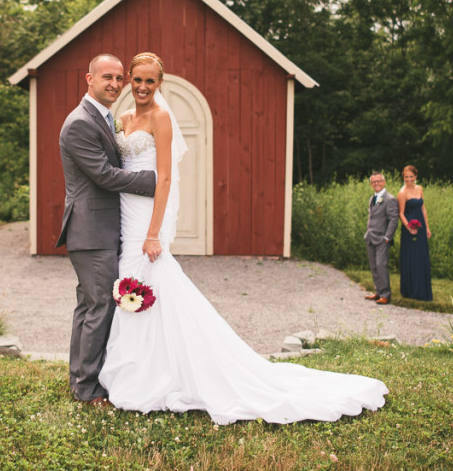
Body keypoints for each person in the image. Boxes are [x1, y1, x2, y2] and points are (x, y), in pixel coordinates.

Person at [99, 52, 388, 425]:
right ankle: (138, 369)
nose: (141, 87)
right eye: (136, 80)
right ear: (128, 80)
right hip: (126, 215)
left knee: (152, 281)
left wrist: (154, 232)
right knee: (133, 283)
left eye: (150, 82)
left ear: (160, 84)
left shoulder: (161, 118)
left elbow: (166, 179)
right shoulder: (122, 120)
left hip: (146, 220)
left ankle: (163, 374)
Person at [57, 54, 157, 405]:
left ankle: (79, 380)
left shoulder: (103, 117)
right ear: (89, 78)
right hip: (91, 229)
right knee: (100, 306)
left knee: (88, 305)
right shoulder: (80, 123)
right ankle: (85, 389)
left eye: (119, 77)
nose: (114, 84)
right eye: (107, 77)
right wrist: (152, 181)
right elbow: (103, 175)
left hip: (99, 228)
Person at [397, 165, 432, 301]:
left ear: (415, 177)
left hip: (421, 227)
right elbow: (401, 213)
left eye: (411, 177)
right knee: (411, 258)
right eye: (406, 177)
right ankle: (410, 290)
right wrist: (409, 227)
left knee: (421, 257)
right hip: (409, 229)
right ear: (403, 177)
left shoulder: (420, 189)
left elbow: (423, 209)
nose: (409, 179)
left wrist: (427, 227)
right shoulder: (402, 192)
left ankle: (422, 289)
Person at [363, 172, 398, 305]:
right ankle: (378, 291)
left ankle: (385, 294)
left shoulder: (390, 199)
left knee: (381, 265)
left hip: (382, 239)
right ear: (371, 184)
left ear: (383, 182)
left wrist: (388, 237)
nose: (376, 184)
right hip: (370, 237)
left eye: (378, 181)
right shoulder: (372, 198)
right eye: (373, 182)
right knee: (373, 266)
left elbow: (393, 219)